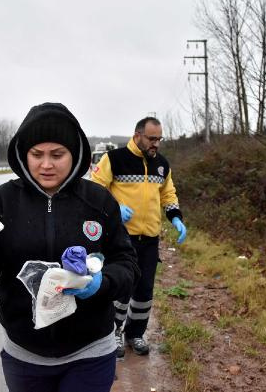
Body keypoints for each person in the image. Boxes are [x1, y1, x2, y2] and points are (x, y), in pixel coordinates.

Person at [0, 102, 140, 392]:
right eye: (36, 154)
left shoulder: (99, 201)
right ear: (24, 155)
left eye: (57, 154)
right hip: (24, 355)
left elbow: (128, 266)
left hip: (90, 352)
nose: (46, 164)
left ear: (74, 154)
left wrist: (100, 284)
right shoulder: (1, 203)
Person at [90, 116, 187, 357]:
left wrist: (175, 216)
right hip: (122, 239)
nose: (156, 144)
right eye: (152, 139)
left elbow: (168, 194)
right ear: (137, 136)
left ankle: (135, 334)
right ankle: (112, 333)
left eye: (159, 139)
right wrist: (114, 208)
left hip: (150, 239)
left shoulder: (162, 165)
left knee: (144, 291)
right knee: (122, 289)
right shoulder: (114, 159)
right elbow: (94, 190)